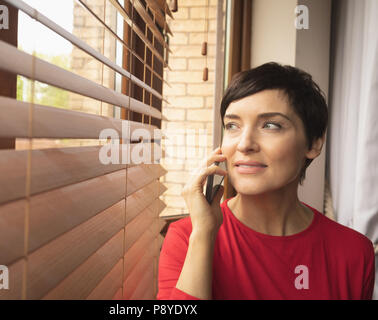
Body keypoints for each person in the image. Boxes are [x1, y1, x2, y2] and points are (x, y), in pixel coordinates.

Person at [157, 62, 375, 300]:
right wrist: (203, 237)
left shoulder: (353, 253)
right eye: (232, 126)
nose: (244, 143)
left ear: (313, 143)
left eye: (270, 125)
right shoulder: (187, 237)